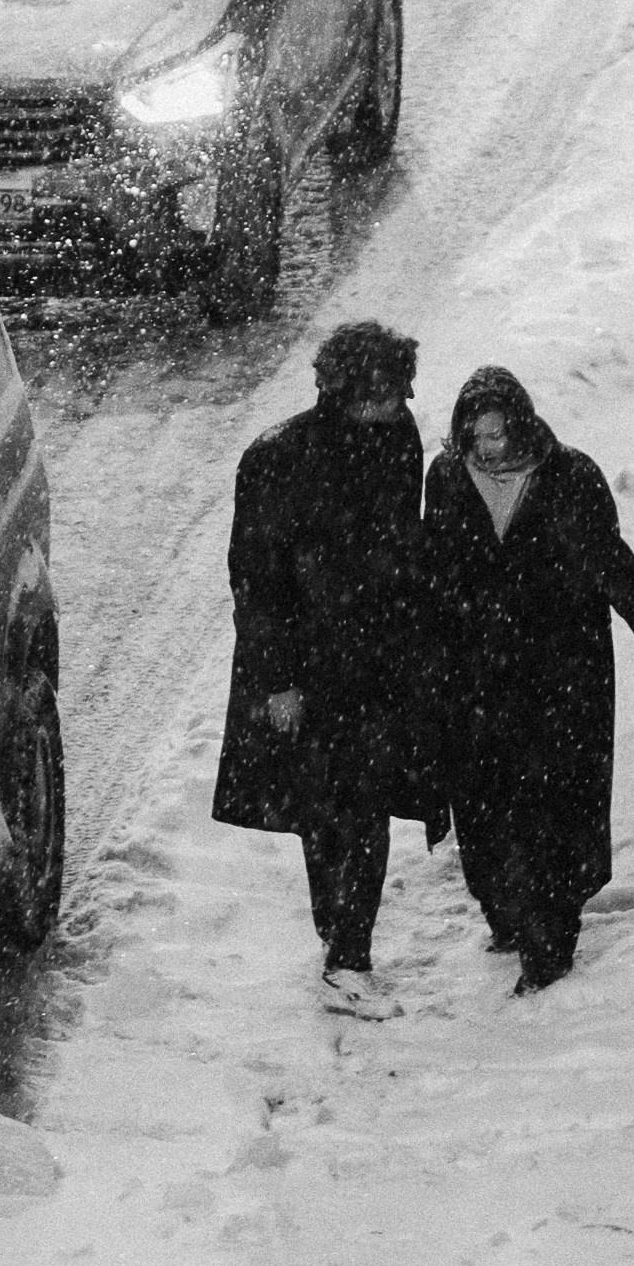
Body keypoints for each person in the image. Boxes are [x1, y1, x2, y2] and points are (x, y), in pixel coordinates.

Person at [426, 367, 634, 994]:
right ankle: (506, 915)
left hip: (561, 678)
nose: (487, 448)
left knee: (554, 814)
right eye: (475, 435)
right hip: (478, 682)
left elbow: (614, 567)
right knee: (484, 812)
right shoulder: (446, 478)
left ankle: (549, 943)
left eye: (498, 434)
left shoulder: (570, 477)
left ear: (521, 424)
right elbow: (437, 576)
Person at [212, 321, 442, 1019]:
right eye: (378, 396)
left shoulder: (399, 440)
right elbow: (255, 577)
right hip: (305, 665)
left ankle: (350, 953)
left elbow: (399, 544)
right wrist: (279, 678)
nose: (391, 409)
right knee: (322, 811)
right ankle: (337, 937)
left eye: (398, 396)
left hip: (376, 659)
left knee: (364, 805)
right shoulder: (278, 458)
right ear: (340, 391)